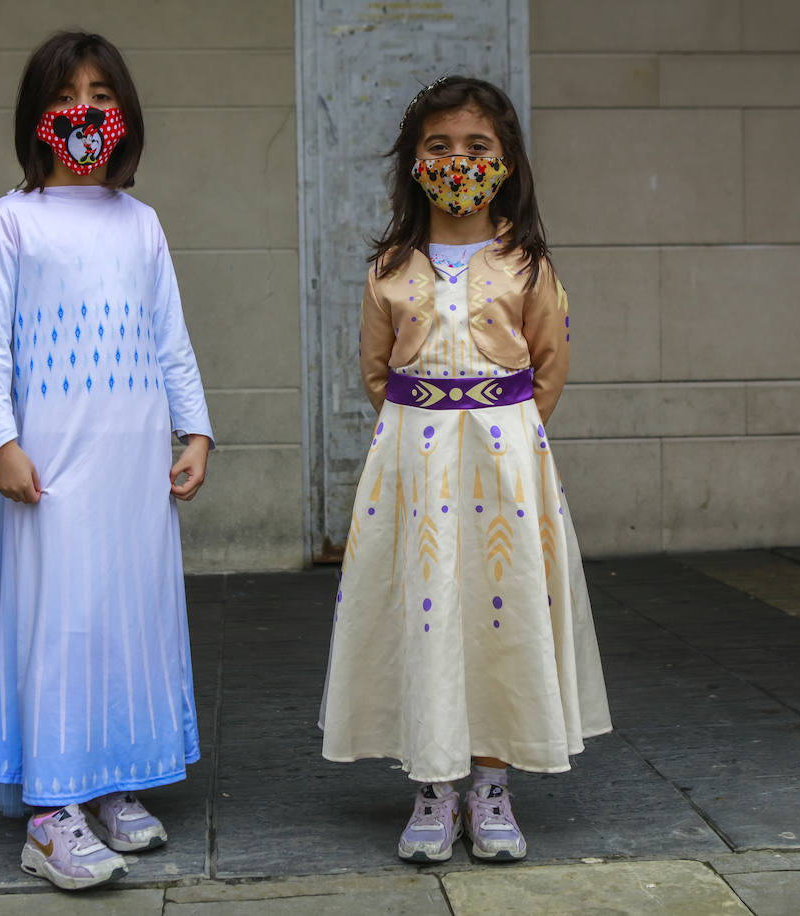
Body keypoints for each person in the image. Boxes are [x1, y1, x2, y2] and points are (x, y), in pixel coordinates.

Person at [319, 76, 612, 863]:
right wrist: (429, 438)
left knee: (497, 612)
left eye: (477, 147)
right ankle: (431, 782)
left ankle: (490, 782)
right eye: (439, 146)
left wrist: (501, 438)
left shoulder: (527, 263)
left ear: (507, 161)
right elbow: (378, 375)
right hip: (413, 475)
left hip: (504, 473)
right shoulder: (391, 267)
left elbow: (548, 367)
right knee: (425, 610)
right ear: (414, 162)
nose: (458, 161)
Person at [0, 31, 213, 891]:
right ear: (39, 119)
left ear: (126, 114)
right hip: (51, 468)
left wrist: (196, 430)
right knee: (57, 620)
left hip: (131, 464)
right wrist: (0, 443)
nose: (87, 111)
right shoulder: (12, 220)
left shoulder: (140, 224)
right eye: (70, 96)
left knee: (124, 615)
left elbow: (170, 338)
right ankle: (50, 812)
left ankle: (111, 783)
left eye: (104, 96)